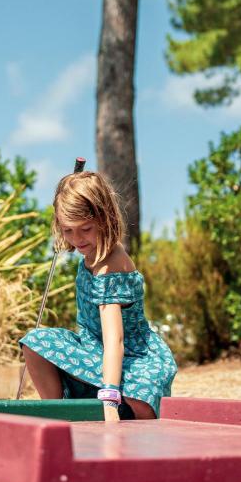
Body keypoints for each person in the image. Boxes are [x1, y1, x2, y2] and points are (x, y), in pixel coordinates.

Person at [19, 171, 177, 421]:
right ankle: (59, 412)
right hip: (93, 347)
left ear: (105, 218)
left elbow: (115, 340)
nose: (77, 238)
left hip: (133, 355)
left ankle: (139, 428)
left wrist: (111, 397)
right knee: (34, 343)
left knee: (140, 395)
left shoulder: (110, 266)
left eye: (85, 229)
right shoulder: (90, 254)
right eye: (68, 230)